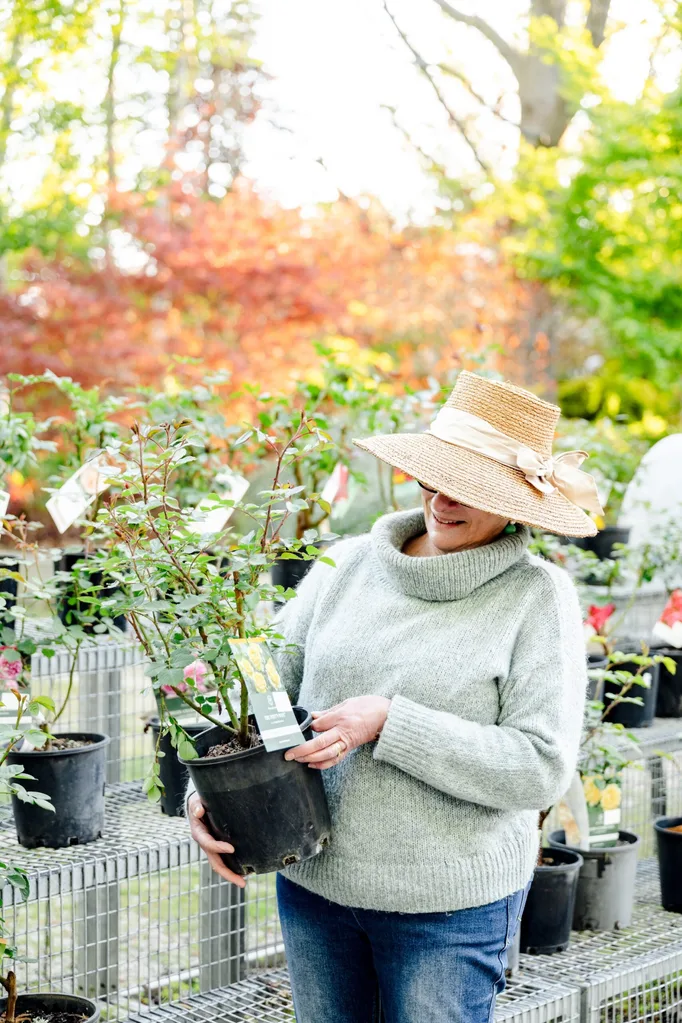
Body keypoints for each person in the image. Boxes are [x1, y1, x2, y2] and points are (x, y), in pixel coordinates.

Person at [188, 371, 602, 1023]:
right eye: (434, 475)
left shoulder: (536, 598)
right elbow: (262, 687)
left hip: (448, 913)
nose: (441, 497)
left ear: (520, 501)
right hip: (317, 891)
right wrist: (211, 795)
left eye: (469, 487)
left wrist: (389, 721)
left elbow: (539, 764)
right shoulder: (347, 564)